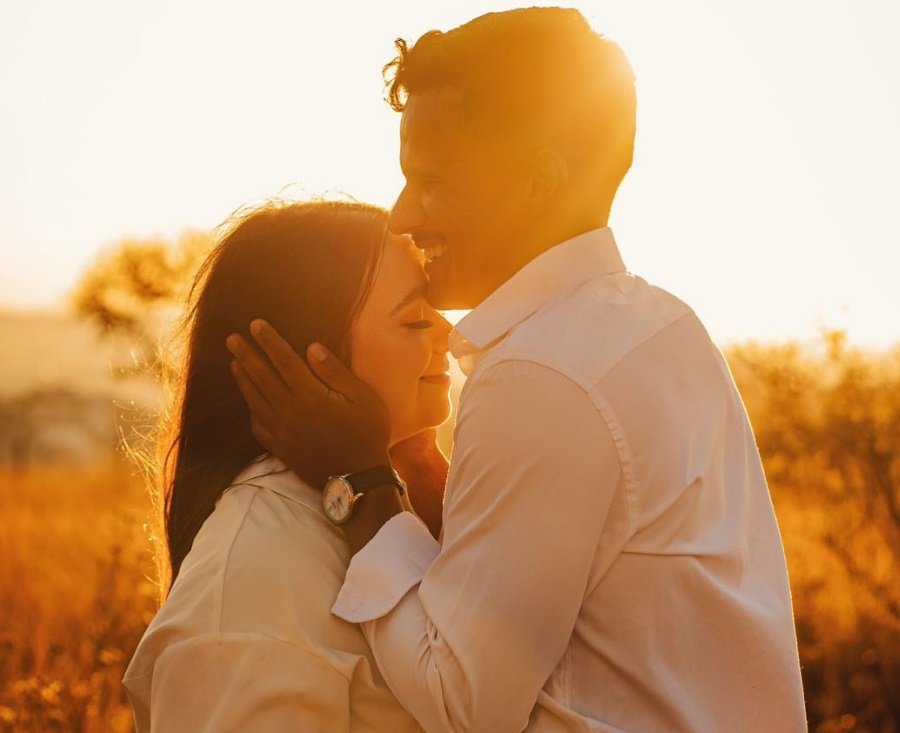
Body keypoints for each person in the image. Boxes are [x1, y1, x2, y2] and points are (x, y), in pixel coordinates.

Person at [227, 7, 808, 732]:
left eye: (431, 179)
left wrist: (357, 477)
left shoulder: (541, 374)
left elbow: (461, 702)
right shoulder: (662, 326)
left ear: (539, 181)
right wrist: (424, 477)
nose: (401, 215)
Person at [123, 200, 452, 732]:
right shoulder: (251, 589)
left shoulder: (392, 507)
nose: (449, 335)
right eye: (415, 318)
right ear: (302, 356)